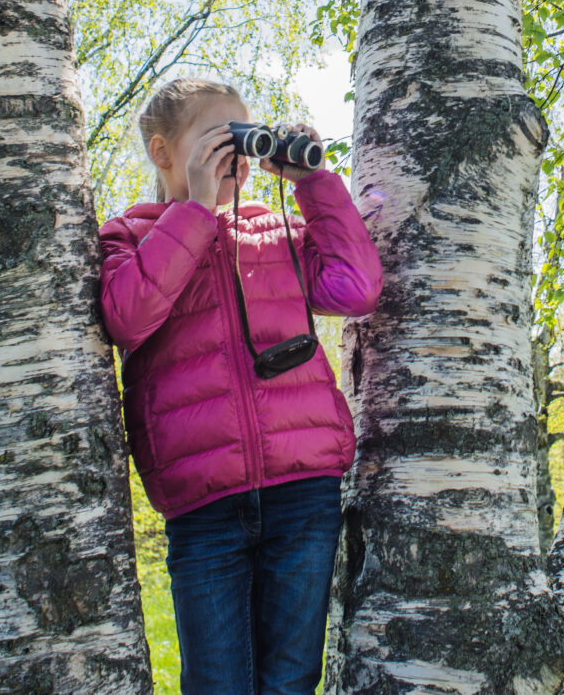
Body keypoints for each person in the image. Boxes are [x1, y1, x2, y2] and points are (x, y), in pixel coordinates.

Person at [100, 75, 382, 695]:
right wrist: (196, 211)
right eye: (217, 141)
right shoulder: (130, 236)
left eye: (244, 141)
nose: (238, 158)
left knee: (289, 681)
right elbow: (126, 317)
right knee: (217, 684)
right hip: (203, 504)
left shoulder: (274, 231)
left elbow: (356, 287)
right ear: (163, 152)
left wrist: (314, 184)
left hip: (304, 488)